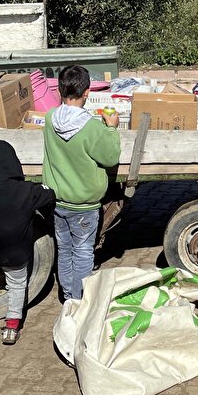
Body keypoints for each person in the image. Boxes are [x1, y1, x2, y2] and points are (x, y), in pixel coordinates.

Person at [0, 125, 57, 344]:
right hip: (16, 254)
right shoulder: (28, 191)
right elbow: (50, 194)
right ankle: (12, 326)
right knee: (17, 285)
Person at [42, 65, 120, 302]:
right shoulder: (92, 127)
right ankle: (80, 299)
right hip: (84, 204)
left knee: (65, 250)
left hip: (58, 200)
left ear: (59, 90)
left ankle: (67, 295)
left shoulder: (49, 118)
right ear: (87, 92)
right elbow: (110, 157)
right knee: (84, 251)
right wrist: (112, 128)